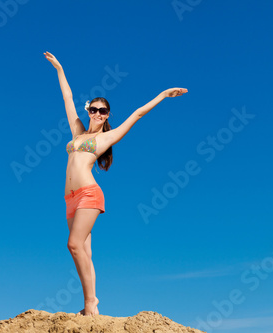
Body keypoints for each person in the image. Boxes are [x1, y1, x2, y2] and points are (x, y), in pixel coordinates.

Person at [44, 51, 188, 316]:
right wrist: (59, 69)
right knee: (84, 251)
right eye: (95, 109)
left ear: (107, 114)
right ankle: (91, 305)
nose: (99, 113)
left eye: (104, 111)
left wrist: (164, 95)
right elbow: (66, 98)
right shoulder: (77, 132)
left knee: (73, 245)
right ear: (89, 110)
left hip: (89, 194)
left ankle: (91, 302)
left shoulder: (106, 138)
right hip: (70, 198)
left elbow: (138, 114)